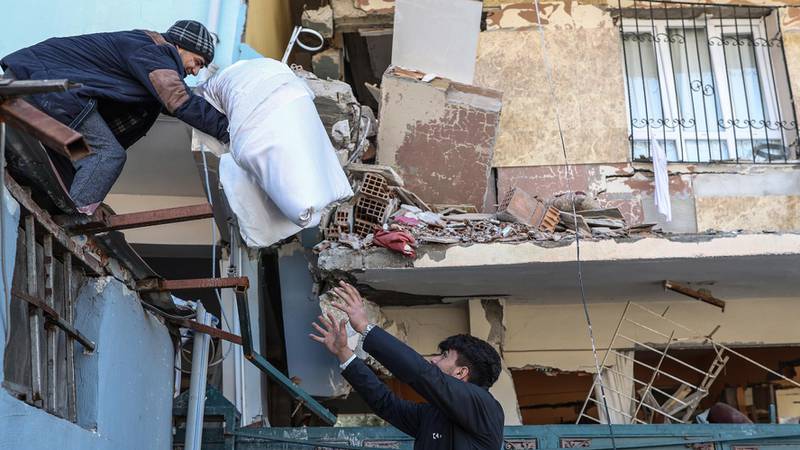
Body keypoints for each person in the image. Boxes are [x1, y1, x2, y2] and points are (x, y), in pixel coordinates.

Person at [0, 20, 230, 214]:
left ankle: (70, 207)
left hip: (47, 93)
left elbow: (175, 103)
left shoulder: (149, 60)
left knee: (84, 159)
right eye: (197, 62)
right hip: (47, 88)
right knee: (106, 156)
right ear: (180, 46)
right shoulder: (154, 51)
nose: (196, 71)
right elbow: (180, 101)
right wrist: (228, 130)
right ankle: (76, 216)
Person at [310, 281, 505, 450]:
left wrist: (365, 327)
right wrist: (343, 352)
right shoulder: (432, 415)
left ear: (461, 372)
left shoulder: (485, 407)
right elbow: (386, 403)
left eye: (444, 356)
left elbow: (423, 374)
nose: (433, 360)